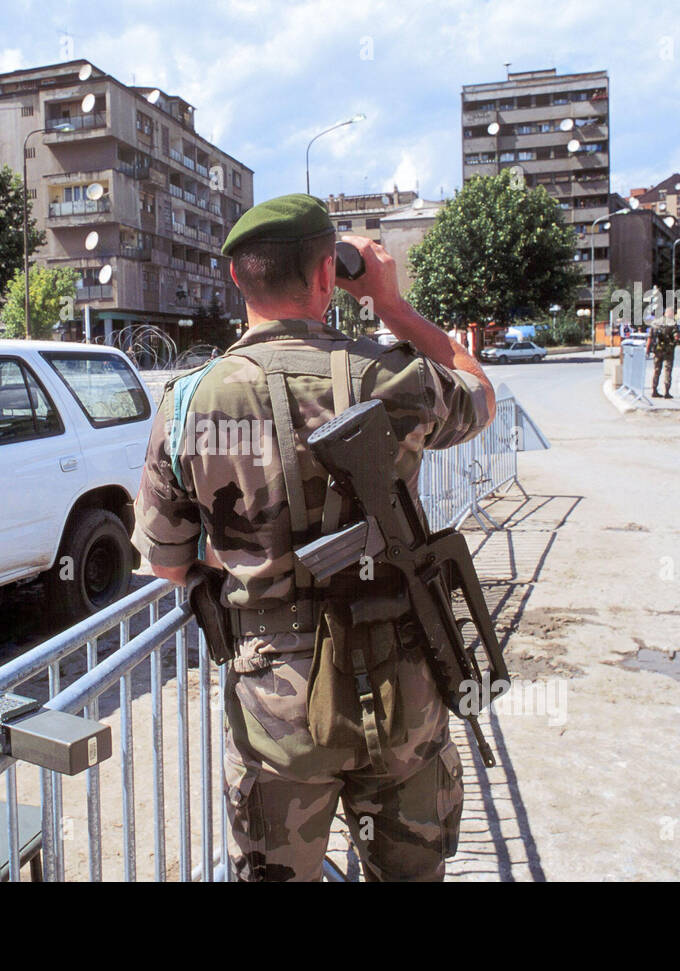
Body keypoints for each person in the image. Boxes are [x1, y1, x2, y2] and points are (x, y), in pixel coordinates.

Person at [130, 194, 495, 881]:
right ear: (330, 272)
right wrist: (392, 307)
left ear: (237, 279)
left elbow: (167, 563)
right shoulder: (390, 376)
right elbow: (481, 394)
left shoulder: (185, 403)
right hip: (400, 688)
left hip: (276, 703)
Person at [645, 306, 678, 398]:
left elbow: (650, 338)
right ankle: (667, 392)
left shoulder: (655, 323)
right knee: (668, 370)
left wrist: (647, 350)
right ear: (670, 314)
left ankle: (654, 390)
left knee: (656, 370)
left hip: (657, 351)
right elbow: (676, 337)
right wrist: (674, 344)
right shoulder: (672, 323)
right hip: (668, 351)